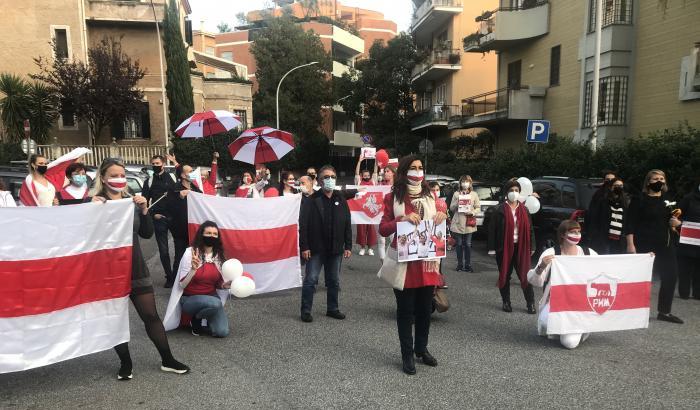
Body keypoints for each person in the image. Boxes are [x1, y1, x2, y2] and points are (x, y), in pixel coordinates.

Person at [89, 158, 189, 380]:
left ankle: (167, 359)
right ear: (103, 178)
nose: (119, 178)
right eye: (113, 175)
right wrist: (90, 210)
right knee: (115, 319)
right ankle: (126, 364)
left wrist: (144, 209)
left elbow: (146, 234)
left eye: (121, 174)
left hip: (135, 268)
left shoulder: (131, 202)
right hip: (108, 272)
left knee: (151, 316)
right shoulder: (95, 203)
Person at [379, 155, 447, 375]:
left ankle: (421, 349)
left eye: (421, 168)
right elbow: (383, 229)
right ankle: (407, 354)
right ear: (405, 171)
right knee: (405, 312)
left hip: (427, 264)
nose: (418, 172)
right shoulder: (393, 197)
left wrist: (441, 215)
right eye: (413, 168)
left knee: (425, 312)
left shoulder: (431, 195)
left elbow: (442, 216)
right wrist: (402, 220)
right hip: (404, 267)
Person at [528, 220, 597, 349]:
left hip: (581, 305)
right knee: (545, 321)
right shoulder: (551, 253)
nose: (577, 234)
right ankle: (568, 327)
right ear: (562, 235)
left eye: (578, 231)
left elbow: (608, 268)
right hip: (556, 302)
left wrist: (645, 258)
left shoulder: (588, 253)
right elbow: (535, 282)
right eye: (572, 232)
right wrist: (541, 266)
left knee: (569, 343)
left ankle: (582, 327)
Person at [625, 169, 683, 324]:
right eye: (655, 178)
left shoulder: (668, 199)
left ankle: (664, 311)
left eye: (662, 178)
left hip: (666, 244)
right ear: (648, 182)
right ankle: (635, 310)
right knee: (642, 278)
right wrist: (630, 244)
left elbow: (676, 220)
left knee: (671, 275)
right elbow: (629, 223)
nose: (659, 181)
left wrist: (678, 224)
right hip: (644, 244)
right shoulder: (639, 199)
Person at [299, 165, 352, 323]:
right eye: (326, 177)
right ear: (320, 181)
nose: (330, 180)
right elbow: (303, 225)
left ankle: (332, 308)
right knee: (311, 280)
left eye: (333, 177)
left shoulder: (341, 199)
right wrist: (305, 247)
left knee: (334, 280)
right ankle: (306, 311)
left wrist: (348, 246)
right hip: (316, 249)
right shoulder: (311, 200)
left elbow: (347, 223)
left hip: (335, 249)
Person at [163, 221, 231, 337]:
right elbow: (182, 285)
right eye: (208, 233)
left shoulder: (219, 256)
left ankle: (198, 317)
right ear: (201, 234)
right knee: (216, 303)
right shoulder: (190, 253)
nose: (211, 236)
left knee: (222, 332)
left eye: (215, 234)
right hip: (190, 299)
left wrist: (224, 285)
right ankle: (196, 317)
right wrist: (193, 270)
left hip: (212, 297)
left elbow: (218, 282)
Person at [488, 179, 536, 314]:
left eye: (516, 191)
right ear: (506, 193)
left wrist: (532, 246)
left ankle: (530, 303)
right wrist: (491, 248)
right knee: (505, 274)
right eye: (511, 191)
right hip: (503, 248)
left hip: (521, 247)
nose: (514, 193)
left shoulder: (524, 209)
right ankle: (506, 302)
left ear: (519, 193)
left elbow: (530, 229)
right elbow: (492, 230)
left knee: (525, 276)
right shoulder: (499, 210)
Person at [142, 155, 177, 287]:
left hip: (174, 218)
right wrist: (152, 214)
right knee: (163, 250)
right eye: (153, 163)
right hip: (159, 218)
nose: (155, 165)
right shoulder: (149, 181)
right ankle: (169, 276)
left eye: (157, 163)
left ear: (163, 163)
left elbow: (179, 193)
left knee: (179, 248)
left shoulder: (172, 177)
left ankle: (177, 275)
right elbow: (144, 202)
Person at [166, 163, 202, 288]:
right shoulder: (174, 188)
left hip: (194, 229)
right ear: (182, 175)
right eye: (189, 171)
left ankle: (192, 281)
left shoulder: (196, 188)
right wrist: (180, 197)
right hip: (180, 229)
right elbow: (169, 207)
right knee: (180, 256)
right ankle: (176, 283)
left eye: (192, 171)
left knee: (195, 256)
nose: (192, 173)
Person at [587, 177, 629, 254]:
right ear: (611, 187)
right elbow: (595, 218)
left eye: (621, 186)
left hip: (619, 239)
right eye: (616, 185)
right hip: (604, 238)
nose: (619, 188)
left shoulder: (625, 203)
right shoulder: (603, 201)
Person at [449, 175, 481, 272]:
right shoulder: (456, 194)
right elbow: (451, 208)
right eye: (463, 181)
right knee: (458, 244)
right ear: (460, 183)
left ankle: (468, 264)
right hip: (458, 221)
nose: (465, 183)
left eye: (467, 181)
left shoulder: (474, 194)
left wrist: (472, 212)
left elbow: (478, 207)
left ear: (470, 183)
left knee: (467, 244)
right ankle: (459, 264)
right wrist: (458, 202)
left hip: (468, 222)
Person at [677, 181, 700, 299]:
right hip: (688, 239)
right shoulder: (688, 199)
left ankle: (698, 293)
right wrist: (680, 225)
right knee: (685, 267)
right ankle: (684, 292)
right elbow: (677, 215)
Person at [355, 154, 378, 256]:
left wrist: (376, 161)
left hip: (371, 209)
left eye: (368, 176)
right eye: (365, 176)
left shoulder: (373, 181)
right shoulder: (359, 181)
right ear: (361, 176)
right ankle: (362, 248)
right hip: (360, 209)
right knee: (361, 229)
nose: (367, 177)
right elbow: (356, 173)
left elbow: (376, 172)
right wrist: (359, 161)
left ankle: (370, 249)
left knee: (371, 229)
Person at [377, 165, 396, 260]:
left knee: (394, 239)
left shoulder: (398, 186)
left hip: (393, 216)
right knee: (381, 240)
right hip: (380, 214)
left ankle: (393, 261)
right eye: (385, 171)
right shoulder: (380, 185)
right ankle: (382, 262)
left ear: (393, 173)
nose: (386, 173)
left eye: (388, 171)